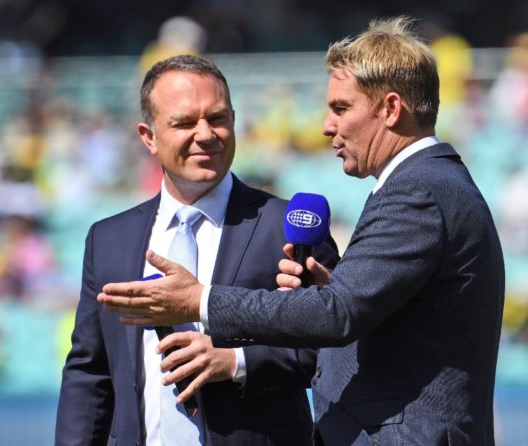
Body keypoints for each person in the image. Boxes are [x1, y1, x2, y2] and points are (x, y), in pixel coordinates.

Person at [99, 17, 505, 445]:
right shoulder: (429, 185)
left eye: (341, 108)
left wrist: (198, 299)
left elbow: (337, 314)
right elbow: (359, 316)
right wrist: (331, 290)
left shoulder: (417, 192)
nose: (327, 126)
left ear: (389, 109)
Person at [56, 55, 339, 446]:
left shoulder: (289, 227)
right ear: (148, 136)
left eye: (218, 118)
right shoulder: (108, 239)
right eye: (185, 123)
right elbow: (90, 373)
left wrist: (235, 362)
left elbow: (334, 348)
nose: (205, 134)